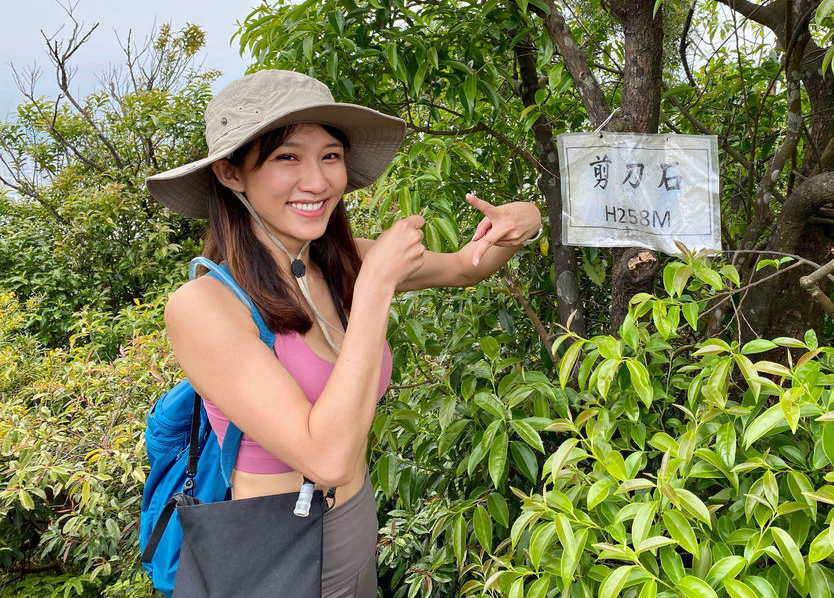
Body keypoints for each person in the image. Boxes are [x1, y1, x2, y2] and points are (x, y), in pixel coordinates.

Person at [145, 69, 542, 598]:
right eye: (287, 157)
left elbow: (468, 266)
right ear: (230, 174)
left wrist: (523, 220)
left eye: (330, 156)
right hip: (277, 549)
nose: (318, 181)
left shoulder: (345, 263)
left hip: (356, 521)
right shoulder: (205, 306)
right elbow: (326, 459)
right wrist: (376, 288)